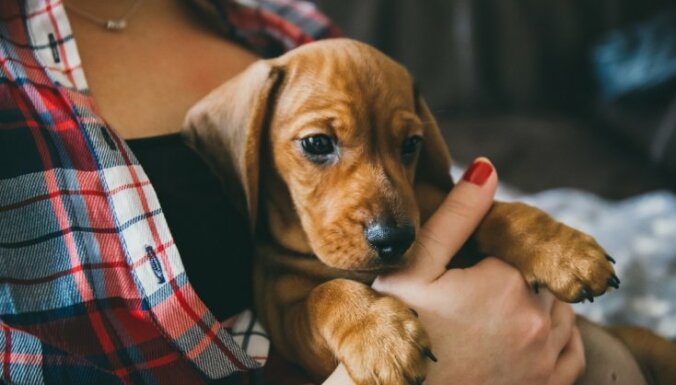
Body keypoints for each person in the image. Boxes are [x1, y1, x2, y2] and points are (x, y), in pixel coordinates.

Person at [0, 0, 644, 384]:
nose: (384, 209)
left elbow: (445, 202)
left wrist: (518, 228)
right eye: (318, 147)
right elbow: (296, 312)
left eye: (406, 143)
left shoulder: (279, 23)